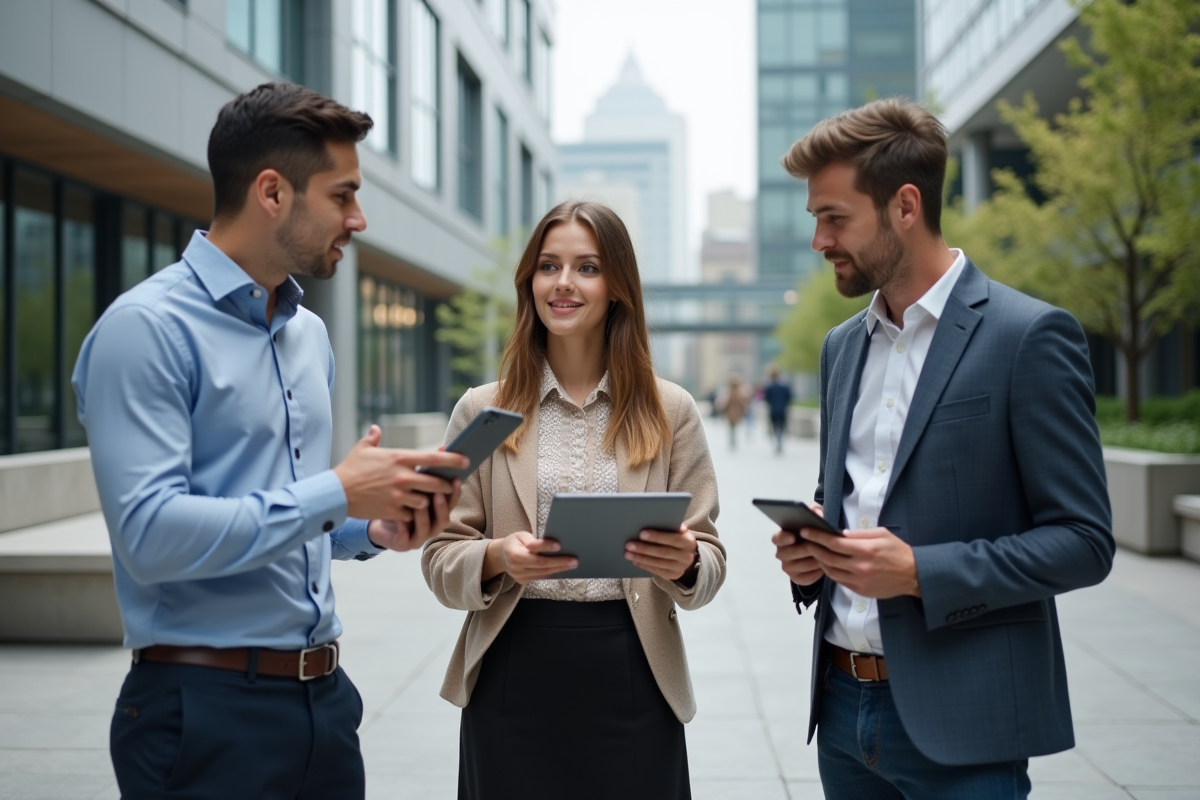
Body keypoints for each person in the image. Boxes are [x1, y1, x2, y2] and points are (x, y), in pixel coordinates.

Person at [72, 82, 469, 799]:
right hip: (201, 713)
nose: (359, 219)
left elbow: (291, 510)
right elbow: (150, 537)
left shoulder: (308, 335)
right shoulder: (145, 331)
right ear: (272, 192)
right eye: (342, 196)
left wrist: (371, 525)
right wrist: (337, 490)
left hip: (325, 706)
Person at [769, 98, 1113, 799]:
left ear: (905, 206)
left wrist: (920, 572)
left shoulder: (1028, 336)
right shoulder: (840, 348)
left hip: (968, 723)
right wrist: (814, 557)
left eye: (835, 218)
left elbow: (1084, 542)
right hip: (840, 712)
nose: (819, 241)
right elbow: (848, 502)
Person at [422, 201, 726, 800]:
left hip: (634, 669)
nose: (563, 282)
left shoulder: (670, 411)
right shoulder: (482, 411)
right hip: (512, 669)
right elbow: (439, 558)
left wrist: (687, 563)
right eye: (548, 266)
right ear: (529, 283)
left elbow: (710, 560)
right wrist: (497, 558)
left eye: (587, 267)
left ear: (617, 287)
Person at [763, 366, 793, 454]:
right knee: (782, 426)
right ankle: (780, 439)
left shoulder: (769, 387)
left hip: (773, 410)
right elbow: (789, 398)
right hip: (783, 410)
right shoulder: (784, 386)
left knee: (774, 426)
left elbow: (767, 399)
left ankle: (777, 439)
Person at [721, 373, 749, 449]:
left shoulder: (730, 392)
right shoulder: (738, 393)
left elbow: (727, 403)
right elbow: (741, 403)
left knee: (731, 427)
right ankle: (734, 440)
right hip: (736, 413)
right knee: (734, 427)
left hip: (730, 413)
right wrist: (743, 411)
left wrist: (723, 409)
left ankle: (732, 440)